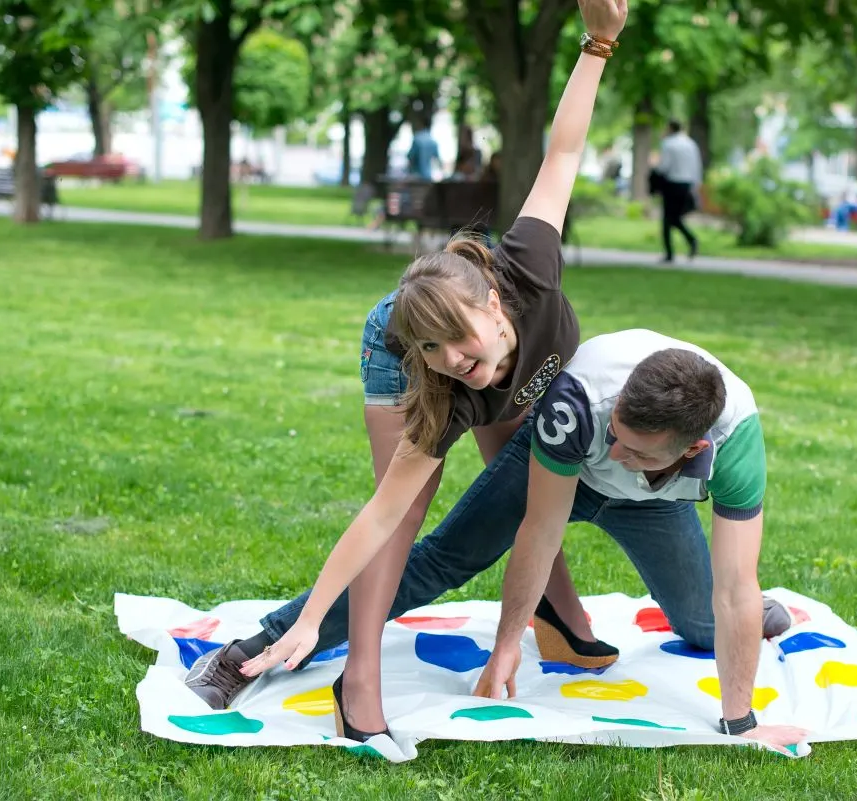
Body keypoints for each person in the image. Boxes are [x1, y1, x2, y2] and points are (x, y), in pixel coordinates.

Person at [184, 0, 631, 743]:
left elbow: (563, 155)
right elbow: (378, 516)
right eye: (442, 356)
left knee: (524, 480)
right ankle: (356, 672)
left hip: (475, 327)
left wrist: (598, 44)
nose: (457, 364)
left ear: (496, 305)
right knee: (409, 509)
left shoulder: (532, 268)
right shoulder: (441, 378)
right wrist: (308, 620)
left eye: (461, 345)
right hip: (395, 331)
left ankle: (560, 614)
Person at [239, 329, 809, 754]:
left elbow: (734, 586)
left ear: (691, 449)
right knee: (443, 559)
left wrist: (742, 724)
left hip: (656, 506)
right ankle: (268, 641)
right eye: (618, 436)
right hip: (563, 473)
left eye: (635, 451)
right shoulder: (579, 403)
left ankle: (756, 616)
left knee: (709, 621)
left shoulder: (736, 441)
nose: (616, 455)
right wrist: (507, 643)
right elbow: (539, 531)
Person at [655, 120, 703, 263]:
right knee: (675, 217)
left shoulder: (668, 144)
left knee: (668, 219)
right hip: (687, 183)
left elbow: (664, 166)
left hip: (672, 183)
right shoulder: (690, 144)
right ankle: (691, 240)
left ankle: (670, 253)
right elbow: (697, 166)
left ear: (670, 128)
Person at [407, 114, 442, 181]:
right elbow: (437, 159)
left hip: (416, 176)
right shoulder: (433, 141)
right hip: (428, 175)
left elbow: (410, 157)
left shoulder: (417, 139)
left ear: (421, 124)